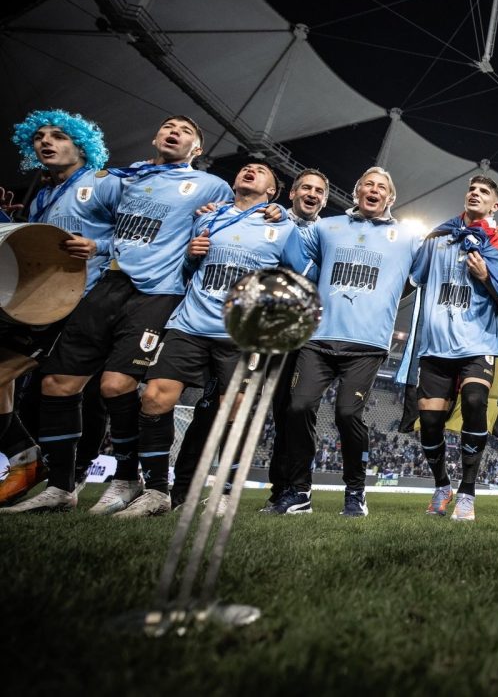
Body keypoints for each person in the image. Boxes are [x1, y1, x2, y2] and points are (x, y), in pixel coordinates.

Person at [4, 116, 231, 515]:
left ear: (197, 149)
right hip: (109, 283)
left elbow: (234, 226)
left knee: (114, 386)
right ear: (155, 137)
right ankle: (61, 487)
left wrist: (273, 215)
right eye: (168, 126)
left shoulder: (211, 186)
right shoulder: (125, 179)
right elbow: (101, 223)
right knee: (57, 383)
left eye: (185, 130)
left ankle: (131, 479)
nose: (174, 131)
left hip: (159, 291)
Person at [117, 163, 304, 517]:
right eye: (246, 168)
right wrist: (190, 256)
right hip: (190, 325)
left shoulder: (281, 227)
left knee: (234, 410)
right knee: (155, 397)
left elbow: (299, 275)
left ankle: (222, 491)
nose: (249, 170)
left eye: (260, 171)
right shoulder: (209, 218)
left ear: (272, 192)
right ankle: (156, 491)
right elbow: (187, 270)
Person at [274, 166, 426, 518]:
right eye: (368, 184)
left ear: (391, 198)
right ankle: (299, 492)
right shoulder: (328, 227)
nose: (374, 189)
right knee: (297, 409)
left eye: (382, 187)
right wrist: (280, 218)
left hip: (367, 344)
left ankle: (355, 491)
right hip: (319, 338)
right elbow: (296, 261)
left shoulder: (407, 237)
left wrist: (385, 301)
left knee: (346, 414)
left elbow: (418, 278)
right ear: (357, 192)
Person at [0, 110, 118, 507]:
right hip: (40, 307)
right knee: (26, 386)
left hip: (89, 303)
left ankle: (67, 477)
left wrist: (100, 247)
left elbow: (147, 235)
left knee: (71, 391)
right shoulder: (43, 195)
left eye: (59, 136)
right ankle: (27, 458)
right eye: (39, 138)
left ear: (83, 144)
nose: (46, 142)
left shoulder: (105, 184)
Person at [413, 175, 498, 522]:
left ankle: (468, 493)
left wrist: (487, 277)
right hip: (437, 345)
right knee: (430, 422)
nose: (475, 193)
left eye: (484, 191)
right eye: (472, 189)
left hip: (478, 343)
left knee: (475, 402)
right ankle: (442, 485)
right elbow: (411, 277)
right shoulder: (439, 237)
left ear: (495, 205)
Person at [260, 168, 329, 511]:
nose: (312, 194)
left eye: (319, 190)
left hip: (304, 336)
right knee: (271, 411)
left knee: (295, 412)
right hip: (261, 329)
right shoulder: (269, 220)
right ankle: (278, 490)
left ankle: (295, 489)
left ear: (325, 200)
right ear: (292, 193)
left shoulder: (328, 234)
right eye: (306, 188)